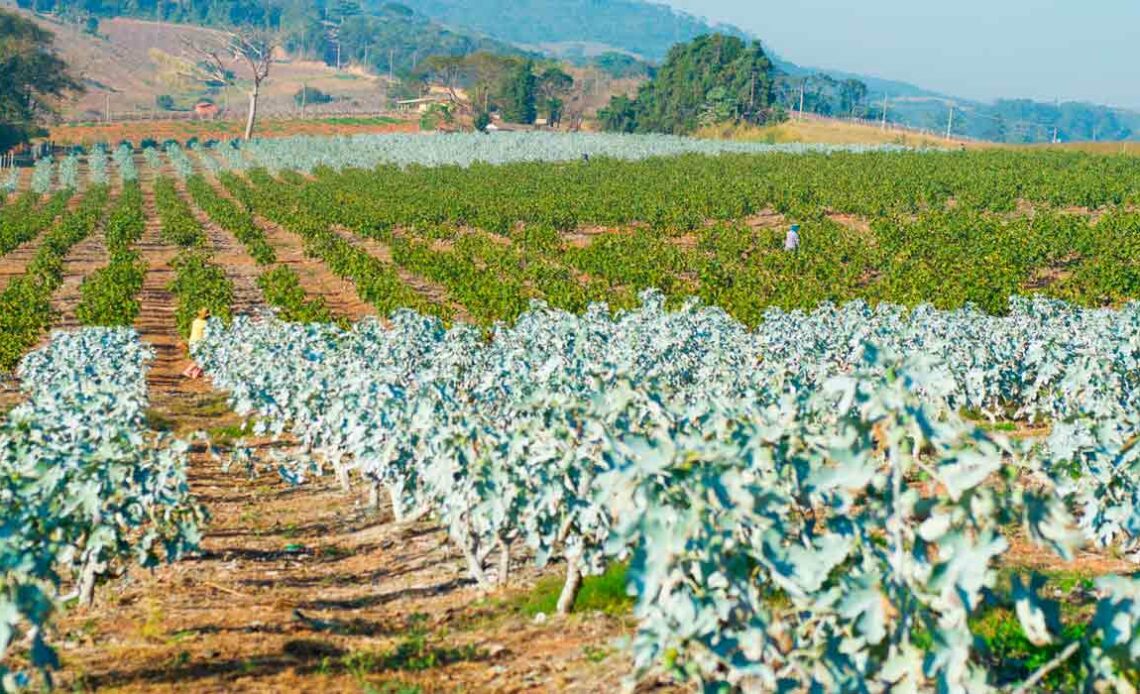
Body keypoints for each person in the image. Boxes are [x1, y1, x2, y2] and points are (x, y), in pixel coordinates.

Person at [182, 308, 210, 379]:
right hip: (198, 343)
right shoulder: (205, 324)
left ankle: (195, 373)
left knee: (199, 358)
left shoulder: (195, 321)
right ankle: (188, 370)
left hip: (192, 342)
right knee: (201, 359)